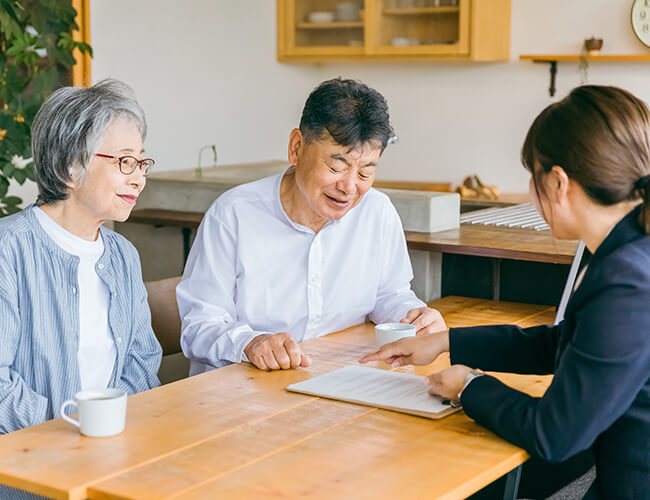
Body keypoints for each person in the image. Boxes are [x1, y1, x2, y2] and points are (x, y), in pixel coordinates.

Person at [361, 85, 650, 499]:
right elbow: (565, 343)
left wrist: (469, 386)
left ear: (558, 182)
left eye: (531, 178)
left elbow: (555, 435)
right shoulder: (628, 247)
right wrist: (445, 342)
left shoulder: (628, 282)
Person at [177, 78, 445, 375]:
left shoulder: (377, 212)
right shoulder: (232, 216)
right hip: (242, 391)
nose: (349, 187)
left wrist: (412, 316)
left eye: (366, 172)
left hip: (339, 379)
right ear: (296, 148)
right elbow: (199, 327)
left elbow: (389, 294)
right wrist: (251, 343)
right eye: (336, 167)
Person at [0, 79, 162, 438]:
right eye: (124, 162)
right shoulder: (8, 250)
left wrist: (109, 428)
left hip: (112, 453)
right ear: (69, 167)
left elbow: (142, 360)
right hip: (29, 474)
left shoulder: (123, 255)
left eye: (141, 162)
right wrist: (70, 431)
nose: (139, 179)